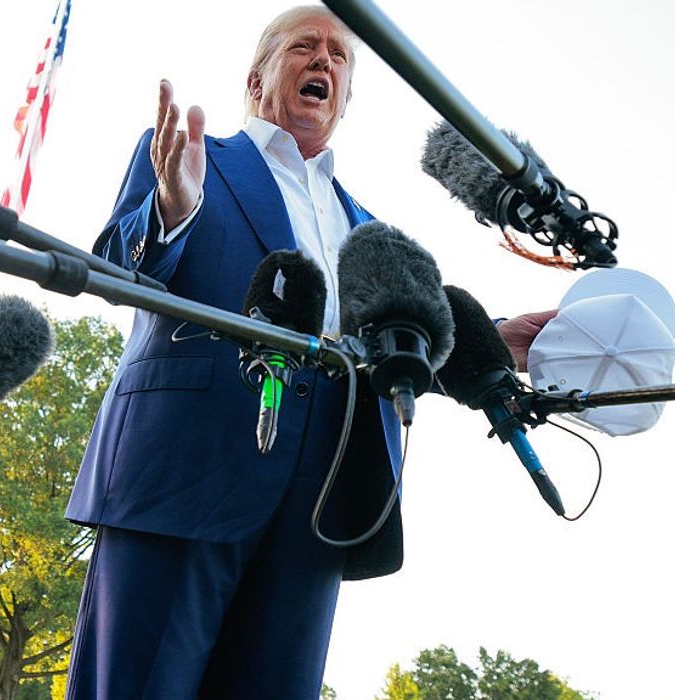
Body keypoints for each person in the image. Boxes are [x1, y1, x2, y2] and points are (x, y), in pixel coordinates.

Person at [64, 6, 550, 698]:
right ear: (256, 77)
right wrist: (172, 210)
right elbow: (116, 269)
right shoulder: (190, 159)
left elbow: (385, 346)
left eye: (339, 56)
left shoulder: (369, 230)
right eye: (303, 46)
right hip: (184, 475)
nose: (324, 60)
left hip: (322, 503)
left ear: (346, 99)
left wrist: (485, 345)